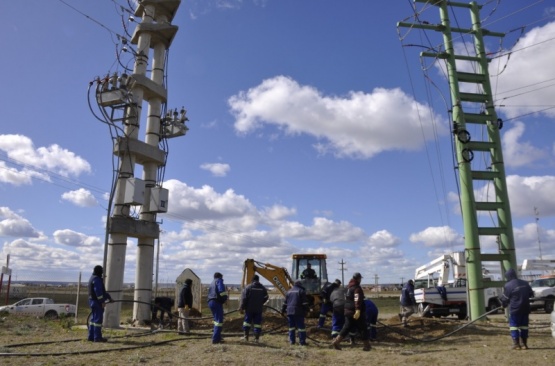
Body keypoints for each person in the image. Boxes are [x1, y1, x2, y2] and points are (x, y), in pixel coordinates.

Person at [331, 272, 371, 351]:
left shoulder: (349, 287)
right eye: (360, 278)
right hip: (355, 312)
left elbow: (347, 299)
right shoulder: (357, 288)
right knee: (363, 327)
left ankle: (336, 341)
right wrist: (358, 310)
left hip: (347, 310)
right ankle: (367, 345)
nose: (360, 280)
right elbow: (357, 300)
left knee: (346, 327)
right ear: (358, 279)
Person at [500, 268, 534, 350]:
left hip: (515, 309)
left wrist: (503, 305)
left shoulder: (508, 285)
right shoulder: (525, 283)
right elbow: (531, 295)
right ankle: (524, 344)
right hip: (526, 308)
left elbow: (505, 299)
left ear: (508, 276)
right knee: (524, 326)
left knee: (514, 326)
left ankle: (516, 344)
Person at [240, 275, 269, 343]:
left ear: (252, 280)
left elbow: (244, 298)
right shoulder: (262, 288)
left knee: (247, 322)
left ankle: (246, 337)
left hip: (249, 309)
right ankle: (256, 338)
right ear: (258, 280)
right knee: (257, 323)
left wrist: (242, 307)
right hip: (258, 309)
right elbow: (266, 297)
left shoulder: (248, 287)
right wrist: (261, 302)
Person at [281, 279, 310, 346]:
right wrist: (307, 311)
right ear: (300, 285)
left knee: (291, 327)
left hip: (289, 312)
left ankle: (292, 341)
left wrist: (282, 311)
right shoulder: (301, 291)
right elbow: (305, 303)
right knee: (301, 328)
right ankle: (302, 342)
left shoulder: (289, 292)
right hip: (298, 312)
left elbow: (285, 303)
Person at [88, 265, 112, 342]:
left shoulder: (92, 278)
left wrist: (109, 298)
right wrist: (102, 302)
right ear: (100, 271)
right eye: (102, 271)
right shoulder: (97, 279)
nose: (102, 273)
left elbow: (102, 292)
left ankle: (91, 337)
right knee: (98, 321)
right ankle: (97, 338)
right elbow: (98, 292)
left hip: (92, 301)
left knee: (93, 320)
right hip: (97, 302)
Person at [207, 272, 228, 344]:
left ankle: (218, 337)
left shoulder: (212, 282)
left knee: (216, 320)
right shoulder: (219, 280)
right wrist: (225, 298)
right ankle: (215, 339)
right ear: (220, 277)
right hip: (216, 302)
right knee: (219, 321)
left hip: (210, 302)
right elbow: (221, 291)